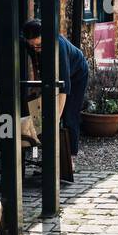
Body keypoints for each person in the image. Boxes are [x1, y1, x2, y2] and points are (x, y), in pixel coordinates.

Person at [22, 19, 89, 157]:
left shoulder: (59, 47)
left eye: (39, 45)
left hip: (76, 74)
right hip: (51, 75)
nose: (36, 49)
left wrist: (56, 118)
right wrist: (37, 85)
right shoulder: (31, 45)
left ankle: (70, 159)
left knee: (69, 115)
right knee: (38, 110)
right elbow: (35, 63)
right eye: (32, 45)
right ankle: (40, 154)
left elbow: (64, 87)